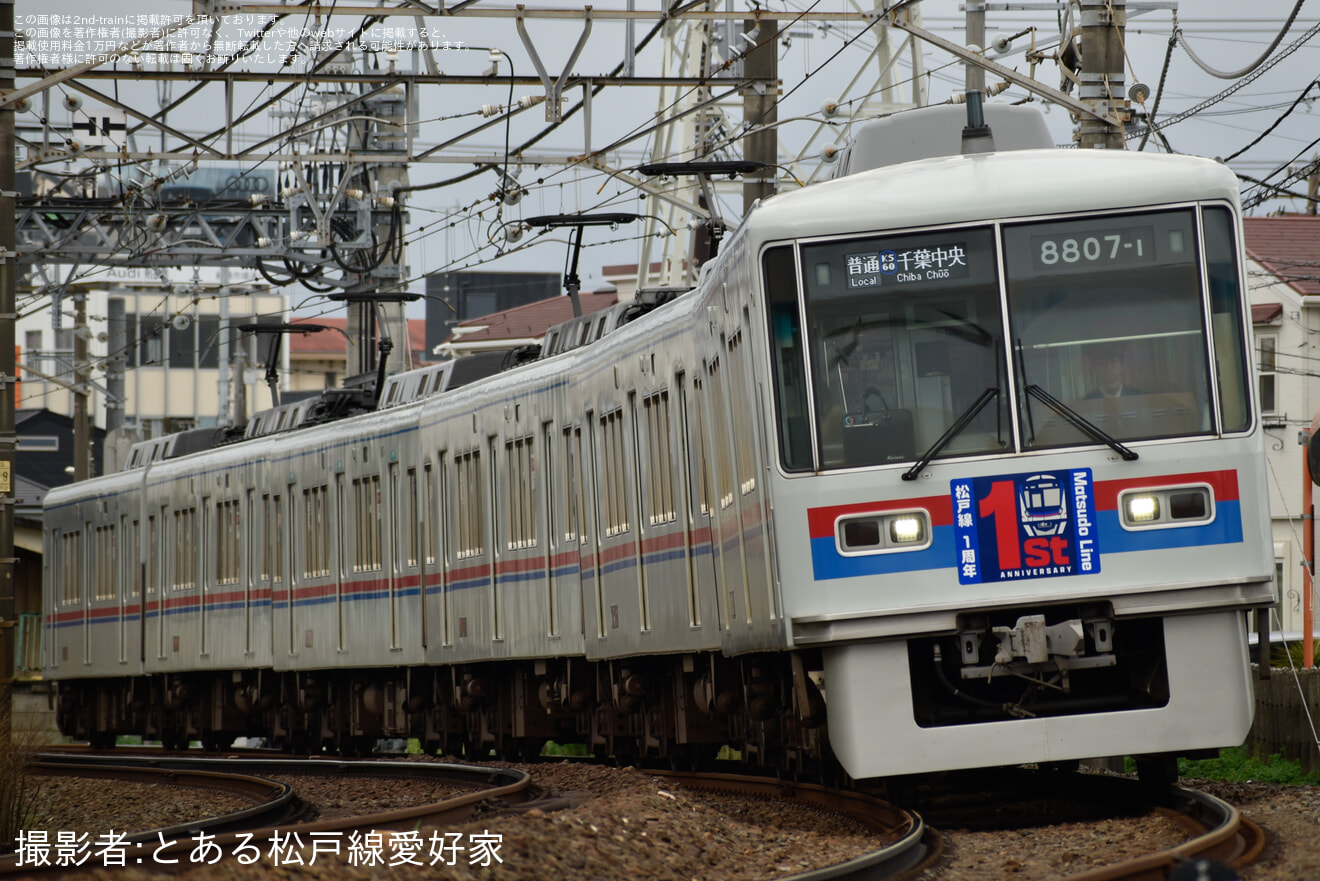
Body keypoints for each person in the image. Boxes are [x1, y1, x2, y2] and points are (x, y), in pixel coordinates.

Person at [1083, 342, 1147, 399]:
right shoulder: (1087, 402)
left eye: (1113, 361)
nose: (1108, 366)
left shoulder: (1140, 397)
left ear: (1122, 366)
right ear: (1094, 368)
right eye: (1102, 362)